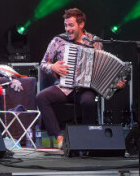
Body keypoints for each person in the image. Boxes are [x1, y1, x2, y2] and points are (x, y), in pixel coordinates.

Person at [36, 8, 126, 149]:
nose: (67, 29)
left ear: (81, 24)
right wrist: (52, 67)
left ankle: (87, 140)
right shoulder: (58, 41)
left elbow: (103, 69)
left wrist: (116, 84)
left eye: (71, 25)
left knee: (88, 101)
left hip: (86, 89)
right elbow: (43, 64)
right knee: (41, 97)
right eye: (66, 25)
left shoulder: (95, 42)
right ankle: (59, 137)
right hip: (64, 87)